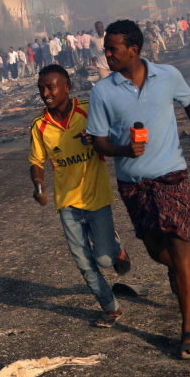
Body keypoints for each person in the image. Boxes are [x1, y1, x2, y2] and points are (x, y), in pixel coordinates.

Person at [86, 19, 190, 359]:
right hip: (133, 184)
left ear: (134, 50)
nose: (107, 54)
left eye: (113, 49)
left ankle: (189, 329)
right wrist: (124, 150)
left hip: (171, 175)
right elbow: (98, 140)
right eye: (106, 49)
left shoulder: (167, 75)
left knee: (180, 244)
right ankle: (176, 271)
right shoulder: (102, 92)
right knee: (157, 251)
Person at [29, 64, 131, 326]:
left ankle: (115, 248)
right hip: (67, 204)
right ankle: (110, 307)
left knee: (103, 259)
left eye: (50, 87)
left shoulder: (88, 110)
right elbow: (37, 161)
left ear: (67, 87)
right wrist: (38, 184)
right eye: (41, 88)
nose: (45, 94)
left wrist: (96, 138)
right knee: (83, 262)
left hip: (97, 198)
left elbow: (115, 133)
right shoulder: (40, 126)